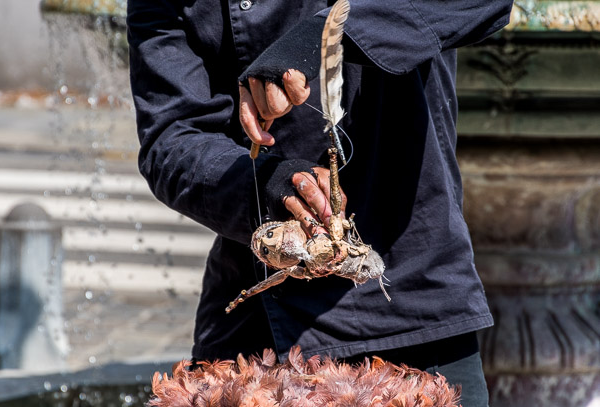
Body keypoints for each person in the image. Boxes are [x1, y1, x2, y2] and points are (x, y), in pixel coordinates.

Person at [127, 1, 513, 405]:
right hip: (254, 335)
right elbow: (171, 141)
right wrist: (268, 183)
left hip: (410, 306)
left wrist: (323, 35)